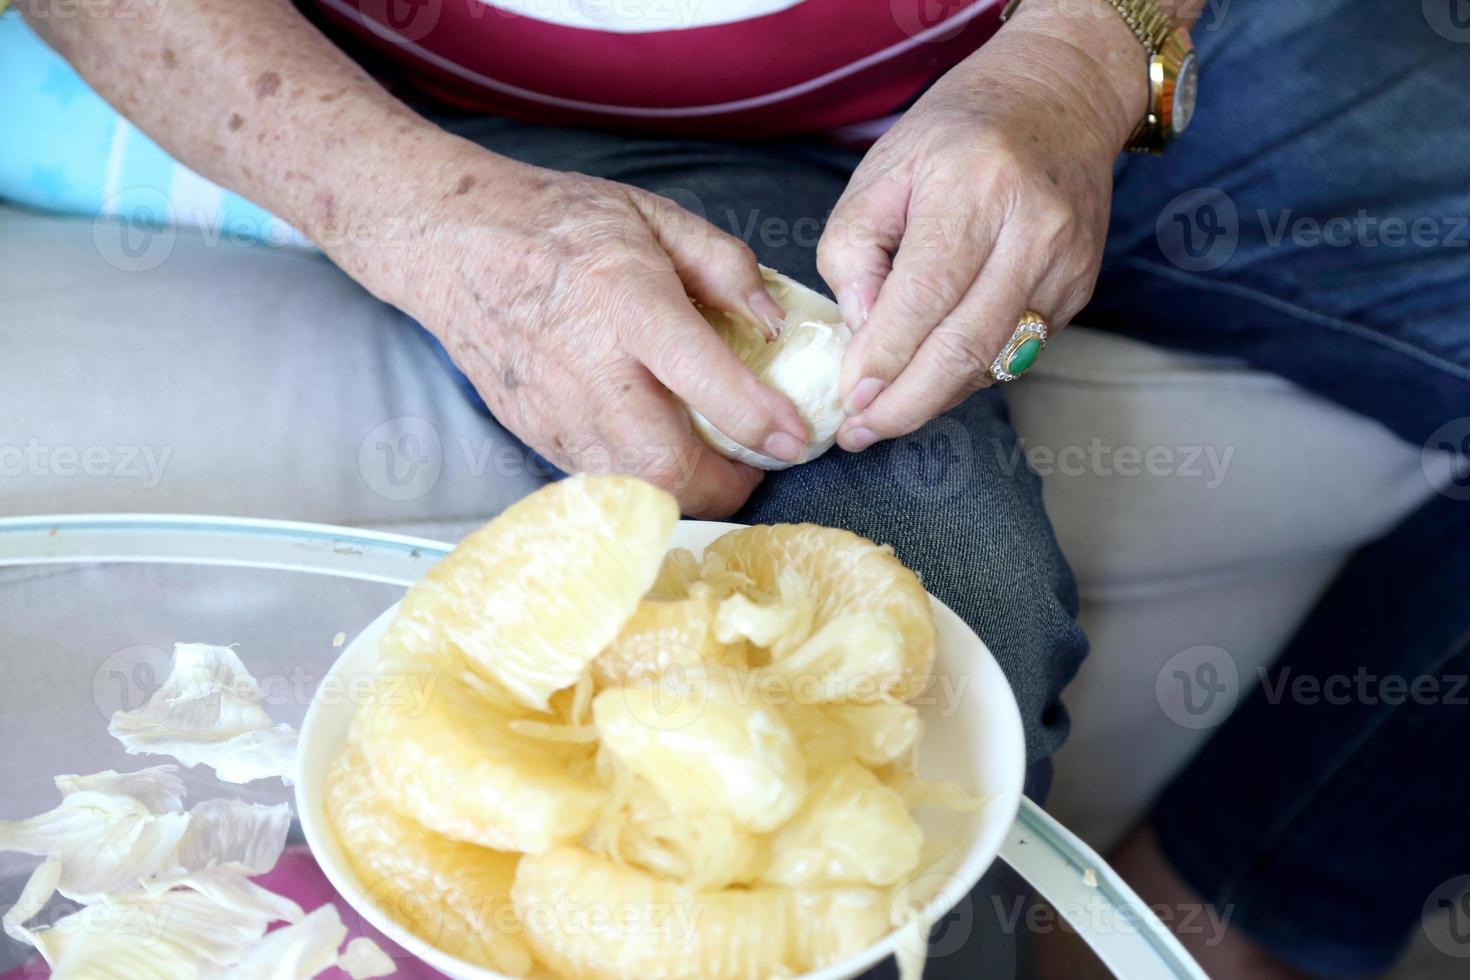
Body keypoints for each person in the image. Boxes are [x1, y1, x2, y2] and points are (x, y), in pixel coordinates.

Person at [12, 0, 1469, 976]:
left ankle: (1223, 909)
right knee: (892, 685)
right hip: (476, 103)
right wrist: (413, 212)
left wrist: (1088, 58)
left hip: (1044, 39)